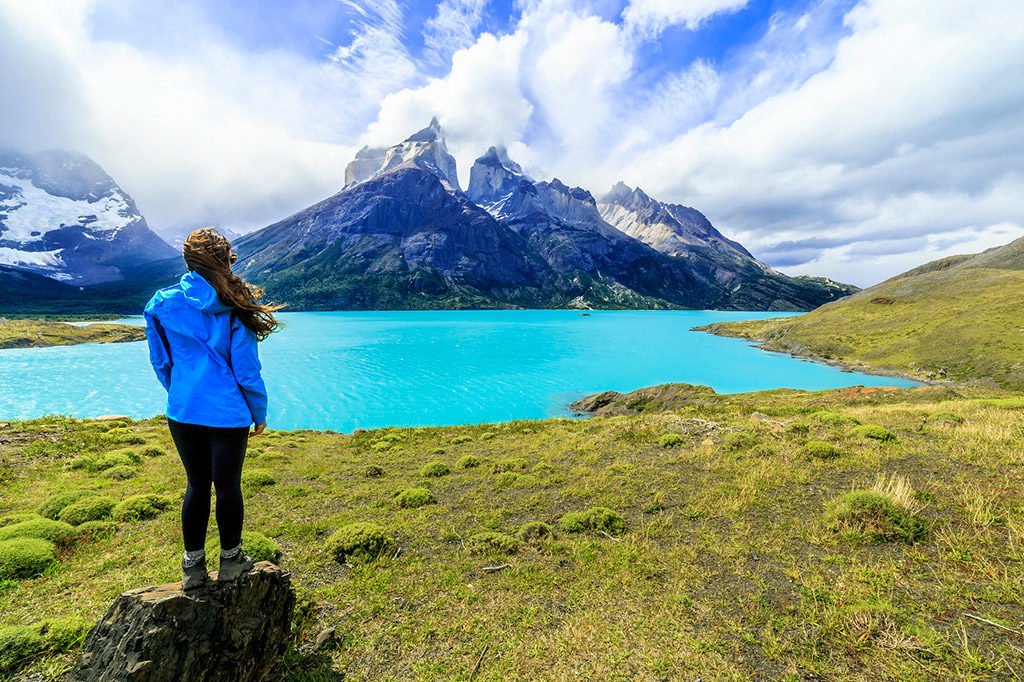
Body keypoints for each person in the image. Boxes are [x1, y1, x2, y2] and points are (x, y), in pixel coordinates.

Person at [144, 227, 283, 590]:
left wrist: (180, 394)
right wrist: (259, 411)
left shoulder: (161, 303)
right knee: (227, 486)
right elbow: (247, 369)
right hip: (227, 412)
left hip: (183, 410)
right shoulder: (234, 303)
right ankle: (231, 560)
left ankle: (193, 568)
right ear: (225, 259)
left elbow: (161, 362)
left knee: (196, 485)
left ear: (188, 260)